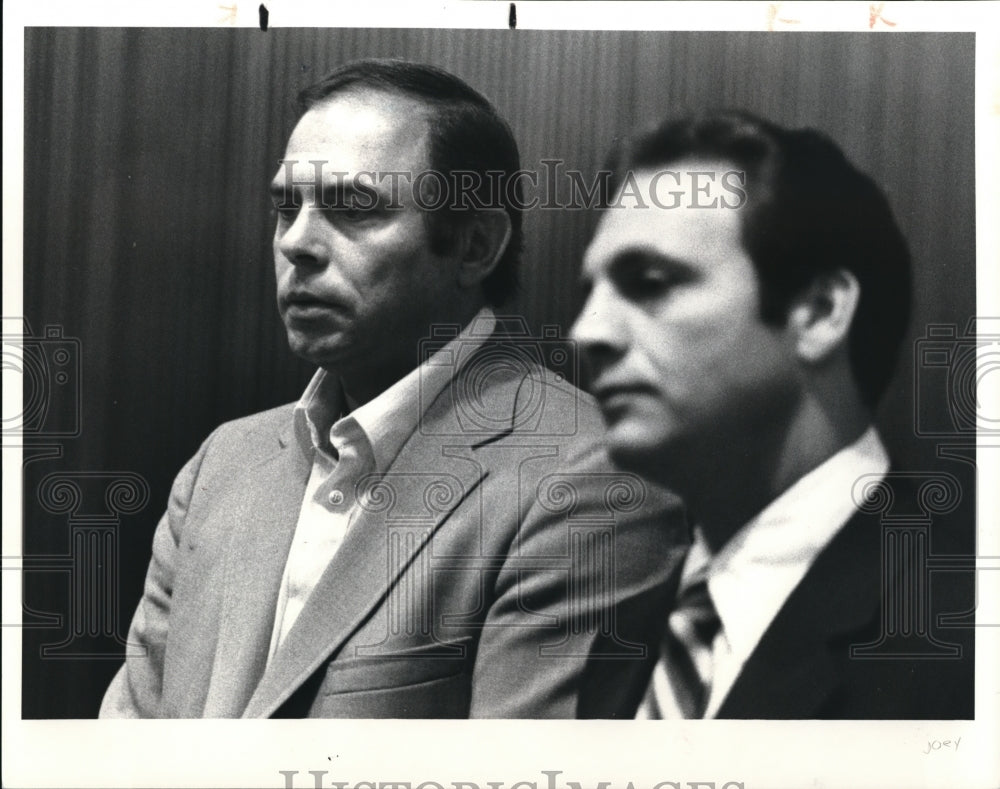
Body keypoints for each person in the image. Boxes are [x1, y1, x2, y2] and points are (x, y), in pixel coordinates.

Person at [99, 59, 683, 719]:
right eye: (286, 207)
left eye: (352, 208)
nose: (296, 243)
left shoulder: (592, 478)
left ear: (474, 245)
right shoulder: (221, 465)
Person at [571, 110, 974, 719]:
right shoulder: (632, 632)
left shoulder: (961, 637)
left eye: (649, 281)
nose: (586, 332)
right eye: (589, 294)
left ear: (817, 311)